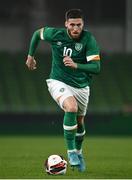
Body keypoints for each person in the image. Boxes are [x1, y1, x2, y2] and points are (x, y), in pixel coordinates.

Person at [26, 9, 101, 172]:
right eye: (72, 24)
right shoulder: (56, 34)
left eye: (79, 25)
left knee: (80, 124)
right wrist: (30, 56)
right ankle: (71, 152)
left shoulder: (89, 40)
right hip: (57, 80)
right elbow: (37, 34)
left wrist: (76, 65)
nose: (75, 28)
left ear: (83, 25)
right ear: (66, 24)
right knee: (71, 107)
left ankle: (79, 152)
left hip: (82, 86)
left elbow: (96, 68)